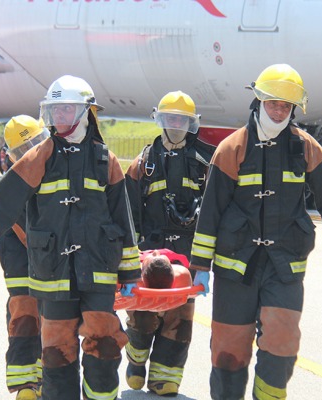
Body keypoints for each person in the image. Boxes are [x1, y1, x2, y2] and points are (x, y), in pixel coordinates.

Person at [0, 75, 140, 400]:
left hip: (98, 275)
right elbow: (2, 202)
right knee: (56, 357)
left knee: (104, 350)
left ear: (85, 112)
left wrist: (130, 271)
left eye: (67, 110)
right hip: (52, 277)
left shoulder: (105, 160)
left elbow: (122, 218)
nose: (60, 117)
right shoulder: (40, 156)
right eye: (55, 111)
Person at [188, 64, 322, 400]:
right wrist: (200, 266)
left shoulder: (306, 147)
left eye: (286, 106)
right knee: (229, 349)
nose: (280, 111)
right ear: (259, 102)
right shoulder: (231, 148)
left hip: (285, 265)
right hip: (235, 267)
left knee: (282, 343)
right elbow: (210, 212)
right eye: (274, 104)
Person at [124, 91, 214, 396]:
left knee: (180, 318)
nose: (175, 125)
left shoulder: (205, 163)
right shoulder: (144, 163)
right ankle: (136, 358)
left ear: (191, 123)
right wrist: (127, 257)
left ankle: (165, 380)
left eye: (181, 120)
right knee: (143, 316)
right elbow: (126, 211)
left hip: (186, 260)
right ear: (161, 121)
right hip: (150, 256)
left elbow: (217, 209)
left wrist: (207, 261)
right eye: (170, 118)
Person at [0, 115, 48, 400]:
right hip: (21, 257)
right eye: (23, 149)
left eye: (37, 142)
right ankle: (26, 385)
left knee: (46, 317)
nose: (31, 151)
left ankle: (37, 380)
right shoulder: (12, 183)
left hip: (40, 256)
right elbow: (28, 233)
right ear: (10, 155)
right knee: (27, 312)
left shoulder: (50, 171)